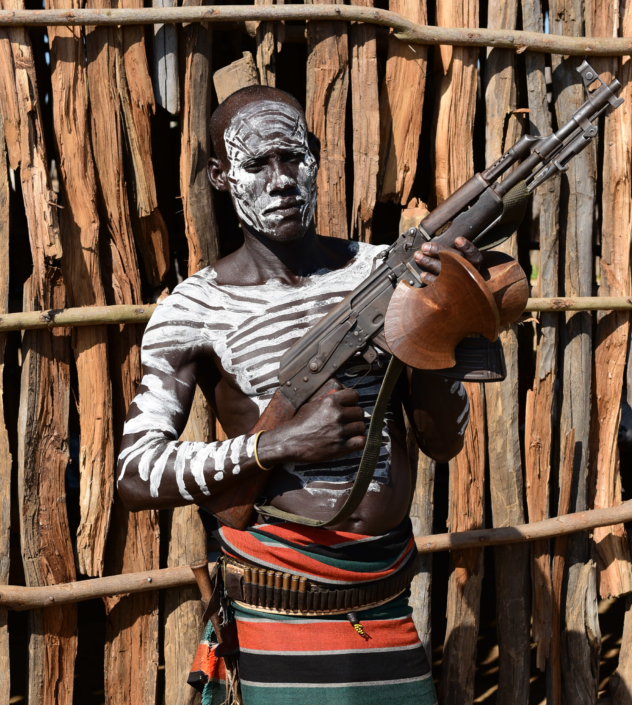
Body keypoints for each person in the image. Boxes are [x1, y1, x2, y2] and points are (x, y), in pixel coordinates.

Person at [117, 84, 482, 705]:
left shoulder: (384, 272)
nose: (282, 180)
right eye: (257, 164)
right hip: (279, 604)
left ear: (316, 156)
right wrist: (276, 444)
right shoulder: (194, 308)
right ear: (220, 176)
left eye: (293, 157)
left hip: (385, 594)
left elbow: (443, 441)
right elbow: (134, 473)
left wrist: (445, 316)